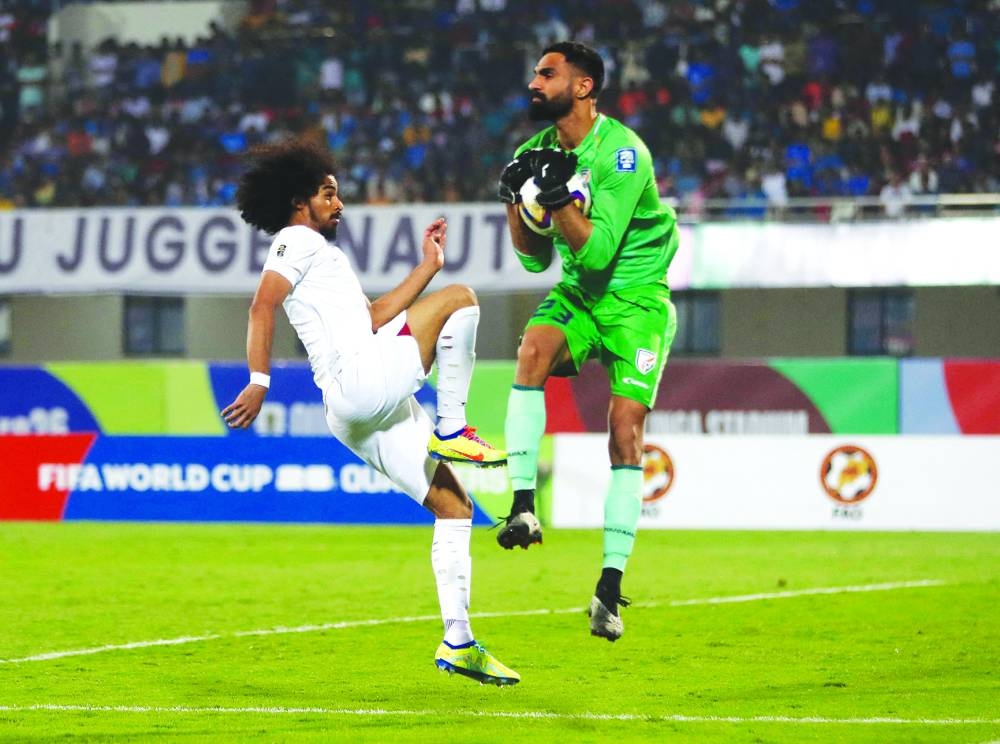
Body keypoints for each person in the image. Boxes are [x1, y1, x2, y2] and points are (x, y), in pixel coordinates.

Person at [221, 137, 517, 685]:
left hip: (354, 410)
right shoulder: (295, 239)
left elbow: (377, 315)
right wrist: (259, 380)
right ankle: (453, 428)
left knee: (455, 508)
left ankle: (458, 641)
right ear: (299, 201)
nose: (339, 204)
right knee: (460, 300)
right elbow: (261, 305)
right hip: (359, 380)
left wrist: (428, 265)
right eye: (328, 193)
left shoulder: (323, 258)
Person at [495, 42, 679, 642]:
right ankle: (523, 506)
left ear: (582, 87)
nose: (534, 82)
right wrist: (514, 203)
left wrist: (552, 197)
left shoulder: (623, 153)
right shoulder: (532, 152)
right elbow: (533, 260)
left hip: (636, 301)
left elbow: (598, 251)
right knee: (531, 350)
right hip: (580, 294)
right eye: (534, 72)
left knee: (624, 430)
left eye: (547, 73)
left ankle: (608, 587)